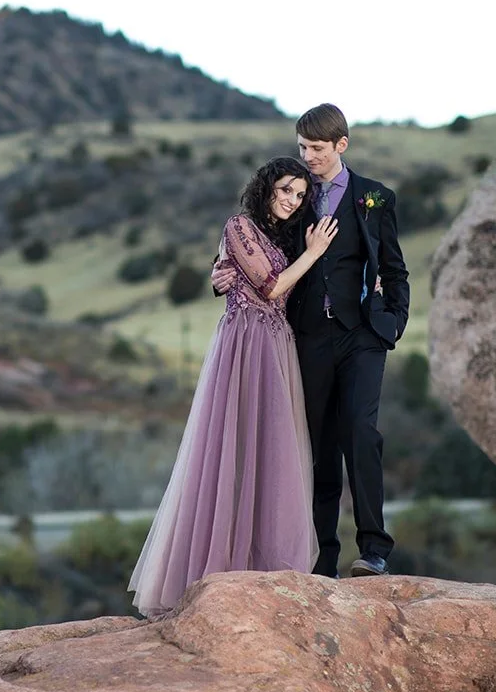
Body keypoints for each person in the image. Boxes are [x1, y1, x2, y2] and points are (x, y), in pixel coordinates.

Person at [128, 156, 338, 617]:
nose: (292, 200)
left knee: (273, 454)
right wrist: (313, 253)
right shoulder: (239, 226)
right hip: (245, 346)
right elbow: (270, 286)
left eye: (300, 195)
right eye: (285, 190)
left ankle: (263, 569)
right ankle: (216, 570)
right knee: (230, 452)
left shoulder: (282, 235)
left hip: (277, 347)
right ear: (266, 187)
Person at [213, 103, 409, 578]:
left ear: (342, 144)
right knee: (318, 446)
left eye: (317, 148)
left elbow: (394, 269)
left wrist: (393, 321)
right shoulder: (294, 198)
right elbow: (255, 240)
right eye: (302, 147)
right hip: (306, 337)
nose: (308, 156)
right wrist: (222, 269)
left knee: (360, 433)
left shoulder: (374, 197)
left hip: (362, 336)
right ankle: (324, 561)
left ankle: (374, 550)